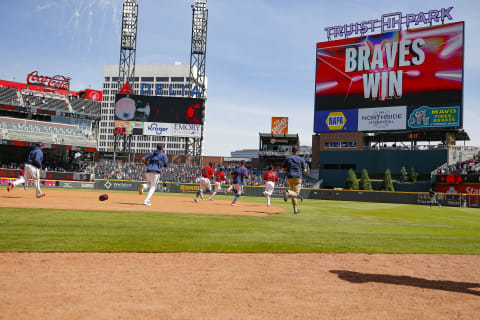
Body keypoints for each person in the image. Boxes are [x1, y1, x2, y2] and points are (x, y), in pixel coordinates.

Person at [282, 146, 307, 214]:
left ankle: (295, 210)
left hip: (289, 177)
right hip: (297, 178)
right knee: (296, 193)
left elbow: (283, 169)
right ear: (297, 152)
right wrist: (301, 170)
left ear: (292, 151)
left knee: (293, 195)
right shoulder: (301, 159)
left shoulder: (288, 158)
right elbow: (305, 170)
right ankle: (287, 192)